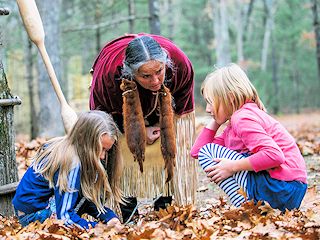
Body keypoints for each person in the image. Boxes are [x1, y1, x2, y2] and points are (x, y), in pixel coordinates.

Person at [89, 33, 197, 221]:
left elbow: (181, 109)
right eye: (146, 75)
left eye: (159, 71)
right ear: (131, 73)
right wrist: (137, 132)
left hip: (164, 107)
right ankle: (128, 209)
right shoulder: (108, 79)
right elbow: (102, 120)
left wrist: (164, 127)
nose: (155, 81)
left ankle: (165, 206)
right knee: (120, 150)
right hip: (118, 113)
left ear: (165, 64)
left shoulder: (179, 65)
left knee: (166, 146)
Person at [190, 63, 307, 211]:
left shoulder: (242, 119)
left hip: (282, 186)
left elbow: (275, 155)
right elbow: (197, 152)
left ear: (230, 98)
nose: (207, 109)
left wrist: (231, 167)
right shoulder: (235, 123)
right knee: (208, 151)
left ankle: (246, 207)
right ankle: (249, 206)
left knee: (210, 152)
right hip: (287, 189)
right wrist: (215, 121)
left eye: (210, 102)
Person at [12, 110, 123, 229]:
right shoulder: (71, 162)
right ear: (86, 140)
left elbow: (84, 198)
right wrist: (100, 228)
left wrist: (109, 217)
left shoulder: (70, 147)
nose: (102, 156)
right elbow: (65, 218)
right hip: (33, 216)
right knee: (70, 217)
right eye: (101, 149)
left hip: (37, 209)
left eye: (106, 150)